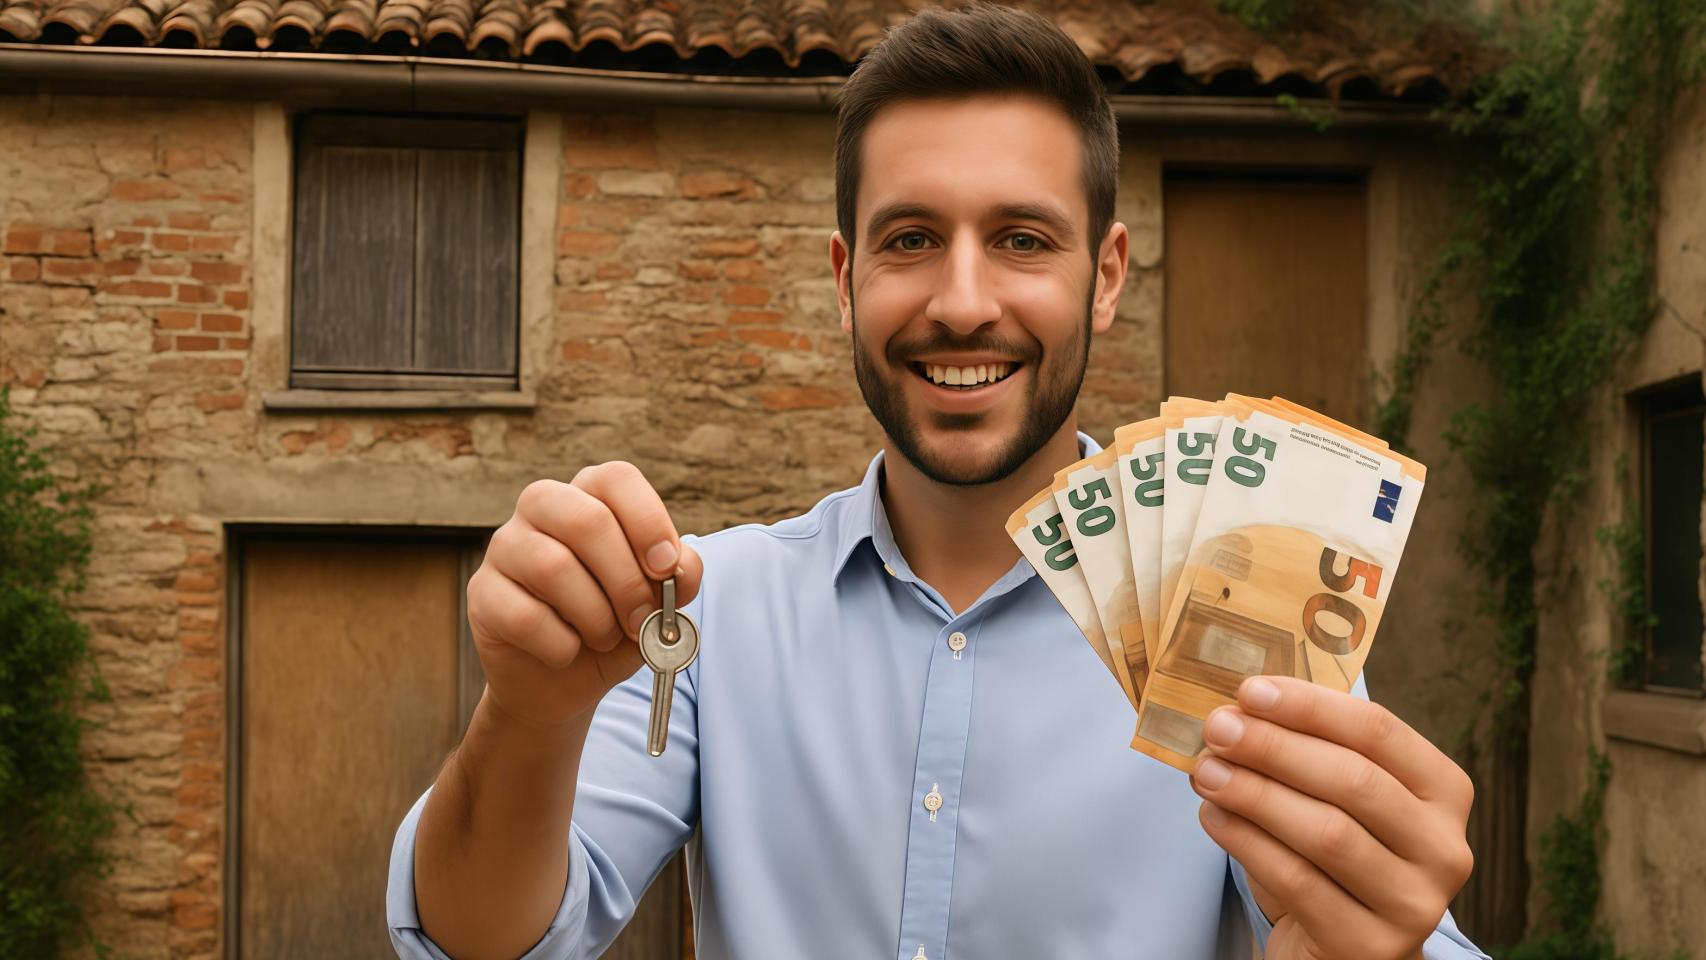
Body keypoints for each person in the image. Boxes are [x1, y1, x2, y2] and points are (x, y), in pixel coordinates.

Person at [386, 4, 1488, 958]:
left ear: (1104, 277)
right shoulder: (699, 614)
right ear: (844, 274)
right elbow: (480, 941)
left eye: (1019, 239)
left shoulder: (1242, 622)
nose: (961, 302)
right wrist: (526, 717)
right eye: (910, 238)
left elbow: (1382, 929)